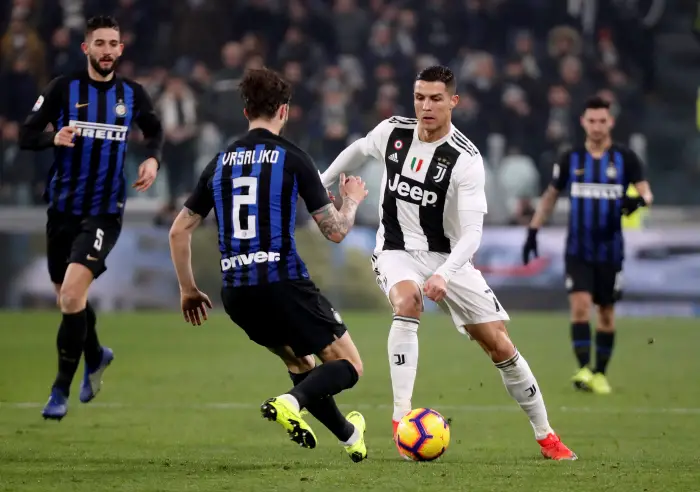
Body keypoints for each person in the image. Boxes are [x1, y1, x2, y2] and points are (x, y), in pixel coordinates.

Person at [321, 65, 577, 461]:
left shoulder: (465, 160)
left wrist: (444, 273)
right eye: (420, 97)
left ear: (453, 102)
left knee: (500, 346)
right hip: (395, 249)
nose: (426, 106)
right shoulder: (393, 132)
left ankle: (546, 436)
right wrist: (324, 180)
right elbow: (359, 149)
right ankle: (401, 419)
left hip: (449, 258)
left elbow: (473, 232)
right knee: (408, 303)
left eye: (436, 98)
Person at [168, 67, 370, 462]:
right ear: (284, 110)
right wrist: (353, 200)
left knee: (301, 361)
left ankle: (349, 436)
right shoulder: (293, 158)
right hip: (283, 282)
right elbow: (335, 231)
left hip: (237, 291)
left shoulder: (220, 162)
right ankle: (290, 403)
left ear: (246, 112)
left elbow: (179, 231)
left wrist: (189, 289)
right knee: (349, 364)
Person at [18, 15, 164, 420]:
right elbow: (25, 135)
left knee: (69, 295)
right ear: (87, 49)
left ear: (121, 49)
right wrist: (53, 137)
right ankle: (96, 354)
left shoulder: (132, 94)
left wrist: (152, 159)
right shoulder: (63, 89)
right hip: (62, 209)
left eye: (112, 43)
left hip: (104, 211)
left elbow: (154, 130)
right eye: (98, 43)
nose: (106, 50)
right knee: (70, 298)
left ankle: (59, 390)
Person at [523, 96, 653, 395]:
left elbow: (648, 195)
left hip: (611, 250)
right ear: (583, 122)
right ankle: (583, 368)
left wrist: (637, 200)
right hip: (578, 249)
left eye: (602, 121)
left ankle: (600, 373)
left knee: (605, 312)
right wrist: (533, 231)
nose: (596, 126)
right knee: (580, 307)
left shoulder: (626, 158)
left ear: (611, 122)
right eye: (591, 121)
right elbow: (550, 197)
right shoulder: (571, 158)